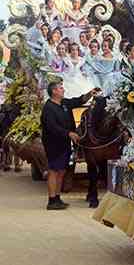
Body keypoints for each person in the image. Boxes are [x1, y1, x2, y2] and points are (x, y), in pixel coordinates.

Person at [41, 81, 100, 210]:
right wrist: (69, 133)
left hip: (65, 143)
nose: (63, 90)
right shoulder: (48, 108)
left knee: (62, 170)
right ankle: (51, 200)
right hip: (53, 144)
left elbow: (79, 101)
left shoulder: (64, 104)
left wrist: (91, 93)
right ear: (54, 91)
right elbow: (52, 127)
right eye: (61, 88)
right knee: (53, 171)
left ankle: (57, 197)